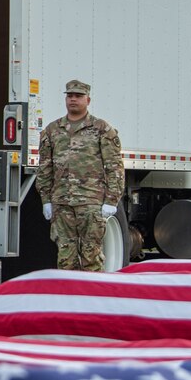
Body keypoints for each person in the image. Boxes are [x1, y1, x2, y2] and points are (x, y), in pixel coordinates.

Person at [36, 80, 125, 271]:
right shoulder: (52, 130)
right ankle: (69, 297)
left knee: (91, 256)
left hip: (91, 202)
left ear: (88, 100)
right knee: (65, 257)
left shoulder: (101, 129)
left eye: (78, 96)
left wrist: (111, 200)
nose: (73, 100)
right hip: (62, 203)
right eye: (69, 96)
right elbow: (44, 168)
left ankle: (92, 297)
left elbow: (114, 167)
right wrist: (46, 200)